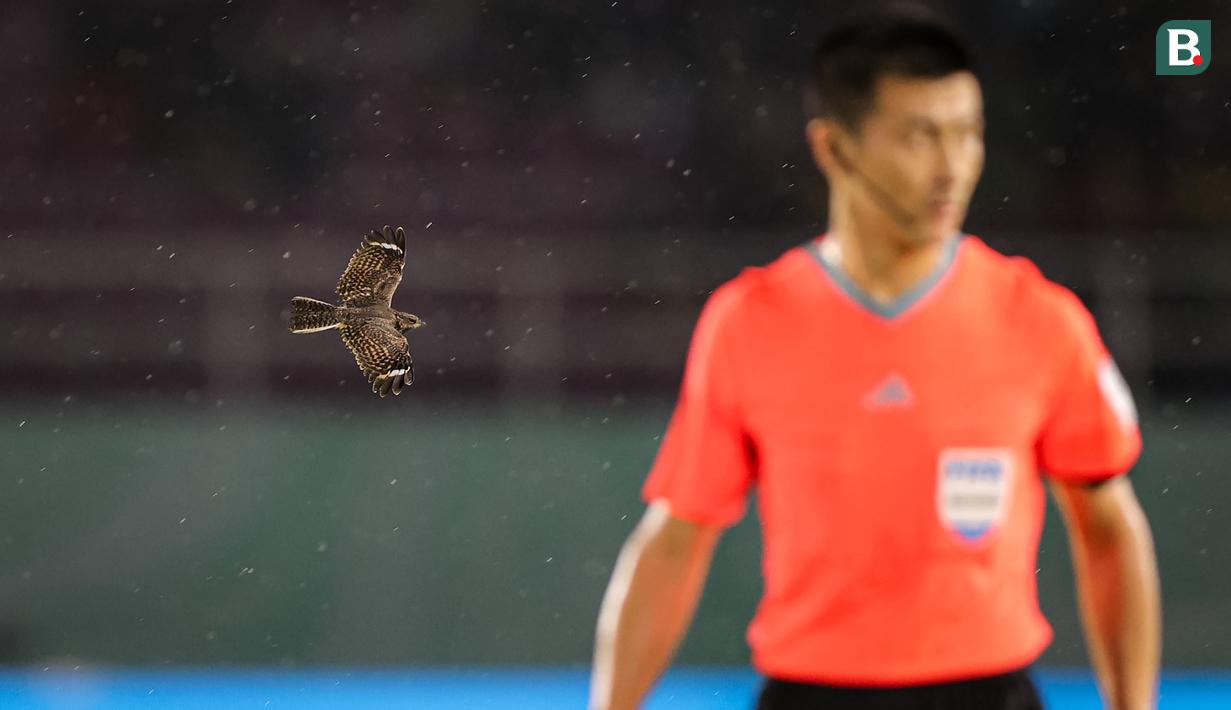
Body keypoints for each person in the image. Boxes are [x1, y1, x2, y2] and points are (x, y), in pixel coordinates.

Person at [589, 6, 1161, 710]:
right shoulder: (748, 323)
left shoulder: (1041, 318)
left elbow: (1109, 527)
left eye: (967, 132)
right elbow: (676, 542)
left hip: (989, 694)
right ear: (833, 147)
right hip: (809, 694)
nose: (952, 164)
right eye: (920, 136)